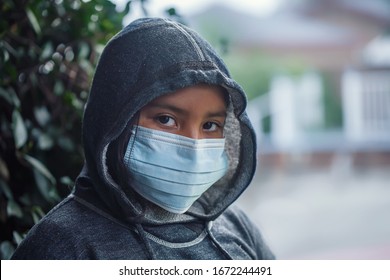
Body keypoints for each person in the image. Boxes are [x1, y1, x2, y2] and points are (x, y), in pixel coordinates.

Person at [11, 17, 274, 260]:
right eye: (166, 119)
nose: (194, 145)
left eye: (210, 124)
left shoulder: (236, 227)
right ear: (114, 119)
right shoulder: (62, 244)